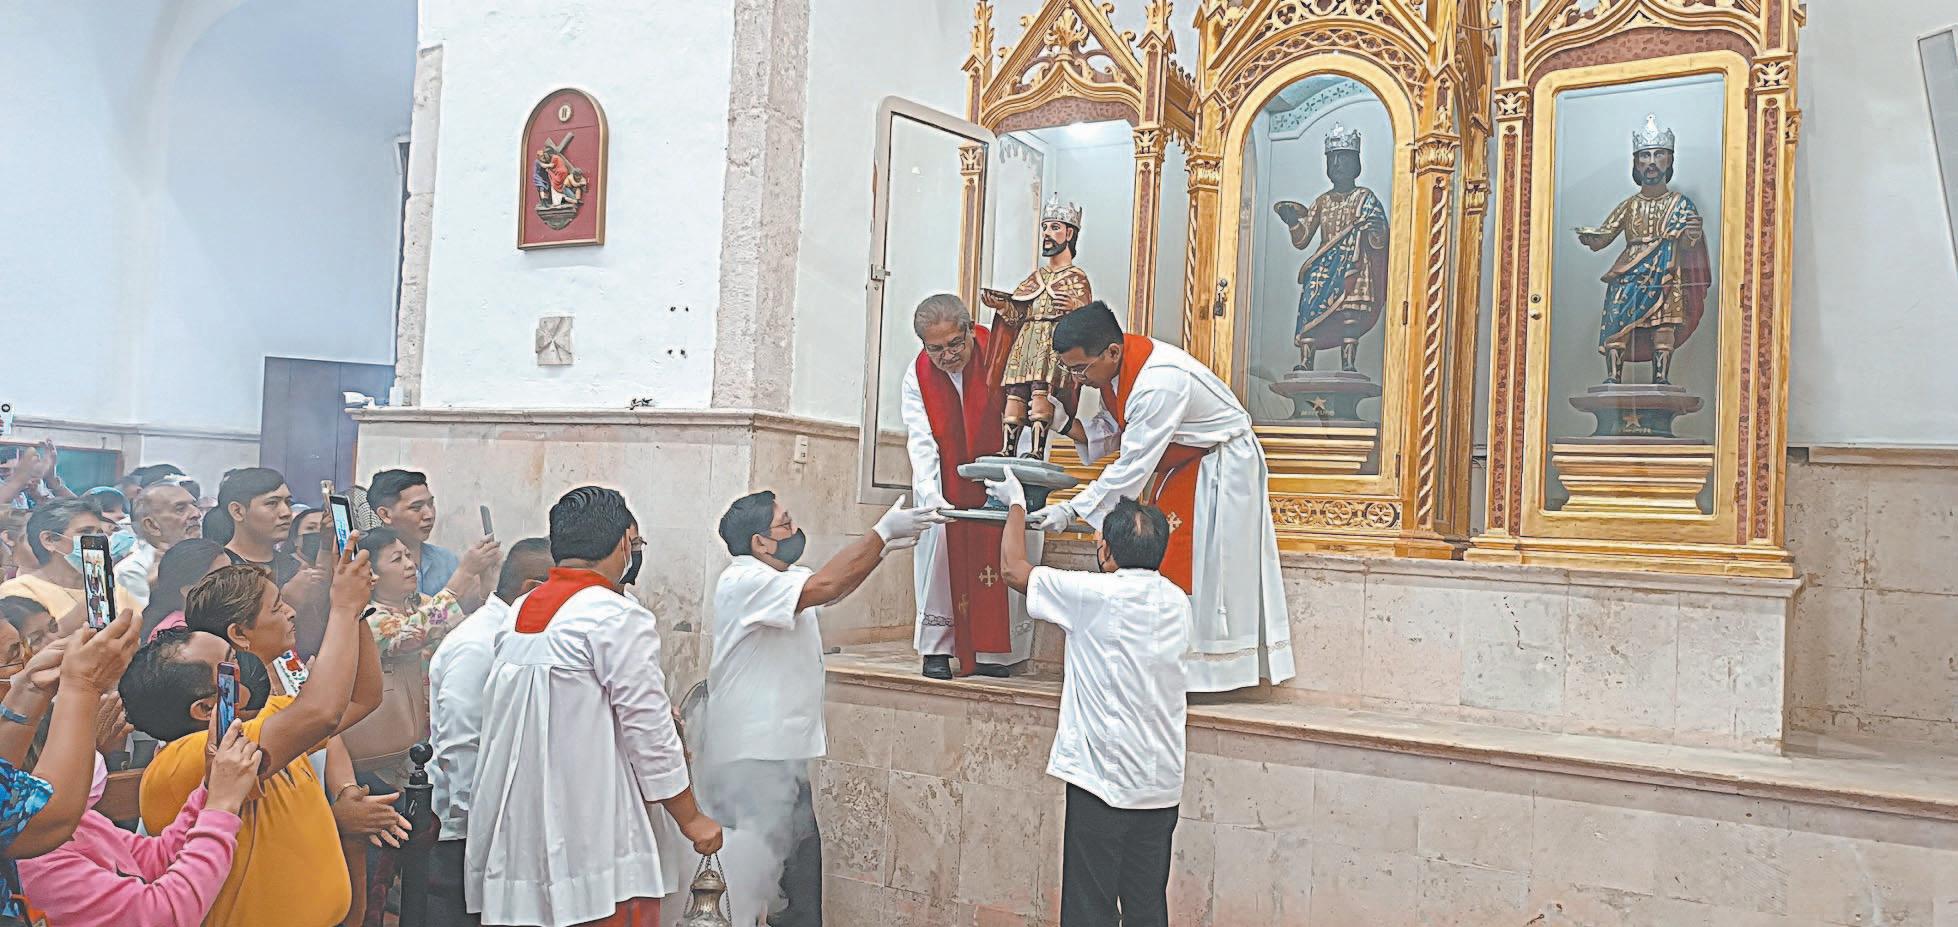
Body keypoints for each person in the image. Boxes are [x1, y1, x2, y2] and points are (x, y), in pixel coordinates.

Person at [467, 487, 720, 927]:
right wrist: (692, 819)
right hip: (592, 831)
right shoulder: (615, 615)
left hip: (522, 828)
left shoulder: (520, 609)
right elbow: (650, 733)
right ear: (623, 543)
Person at [705, 490, 945, 925]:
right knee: (758, 885)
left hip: (779, 757)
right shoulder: (744, 580)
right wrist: (880, 532)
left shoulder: (781, 577)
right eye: (785, 523)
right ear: (760, 543)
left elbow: (833, 588)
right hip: (752, 761)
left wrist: (883, 549)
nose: (795, 529)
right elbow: (827, 585)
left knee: (796, 885)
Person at [1042, 301, 1294, 693]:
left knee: (1203, 564)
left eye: (1080, 369)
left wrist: (1072, 509)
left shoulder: (1159, 382)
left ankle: (1206, 670)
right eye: (1070, 370)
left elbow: (1132, 464)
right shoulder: (1119, 371)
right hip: (1181, 465)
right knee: (1170, 555)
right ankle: (1172, 667)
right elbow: (1115, 430)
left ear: (1111, 352)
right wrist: (1062, 423)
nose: (1078, 380)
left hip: (1218, 467)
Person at [128, 540, 382, 927]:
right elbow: (322, 713)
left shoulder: (264, 722)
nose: (245, 667)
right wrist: (344, 607)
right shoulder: (190, 759)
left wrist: (357, 610)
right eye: (232, 663)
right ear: (205, 709)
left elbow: (361, 699)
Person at [992, 471, 1188, 927]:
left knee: (1088, 910)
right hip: (1159, 785)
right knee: (1146, 907)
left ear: (1109, 552)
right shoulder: (1178, 602)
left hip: (1104, 784)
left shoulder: (1094, 594)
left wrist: (1016, 504)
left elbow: (1012, 569)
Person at [898, 294, 1036, 680]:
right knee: (941, 556)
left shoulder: (1002, 354)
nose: (946, 356)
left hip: (1000, 478)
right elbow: (921, 438)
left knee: (997, 556)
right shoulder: (918, 374)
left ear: (970, 330)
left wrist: (1016, 479)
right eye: (935, 349)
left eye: (955, 344)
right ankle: (937, 649)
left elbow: (1023, 420)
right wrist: (931, 492)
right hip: (946, 482)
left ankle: (991, 651)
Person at [426, 537, 551, 927]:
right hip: (463, 835)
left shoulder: (514, 633)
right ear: (533, 589)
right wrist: (478, 827)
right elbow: (460, 742)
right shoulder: (478, 643)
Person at [18, 728, 261, 927]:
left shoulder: (76, 822)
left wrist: (210, 788)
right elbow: (162, 916)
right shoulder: (38, 866)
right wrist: (221, 807)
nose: (93, 758)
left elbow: (157, 858)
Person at [0, 610, 144, 923]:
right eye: (13, 658)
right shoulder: (46, 862)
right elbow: (46, 817)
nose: (26, 661)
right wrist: (82, 686)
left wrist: (29, 688)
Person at [369, 469, 499, 611]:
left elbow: (465, 611)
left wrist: (485, 579)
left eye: (430, 504)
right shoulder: (368, 567)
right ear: (385, 514)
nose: (429, 515)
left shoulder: (446, 559)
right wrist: (465, 572)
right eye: (416, 508)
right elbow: (417, 622)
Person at [0, 500, 115, 626]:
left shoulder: (111, 581)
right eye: (85, 532)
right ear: (49, 540)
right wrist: (91, 603)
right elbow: (39, 638)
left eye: (100, 533)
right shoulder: (19, 591)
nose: (98, 540)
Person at [116, 481, 205, 614]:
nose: (196, 514)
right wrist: (158, 587)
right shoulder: (131, 571)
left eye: (195, 505)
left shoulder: (210, 556)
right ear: (152, 525)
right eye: (180, 509)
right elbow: (150, 621)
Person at [140, 539, 230, 641]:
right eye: (223, 578)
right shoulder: (177, 636)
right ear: (189, 591)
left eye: (233, 571)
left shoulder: (213, 619)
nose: (235, 580)